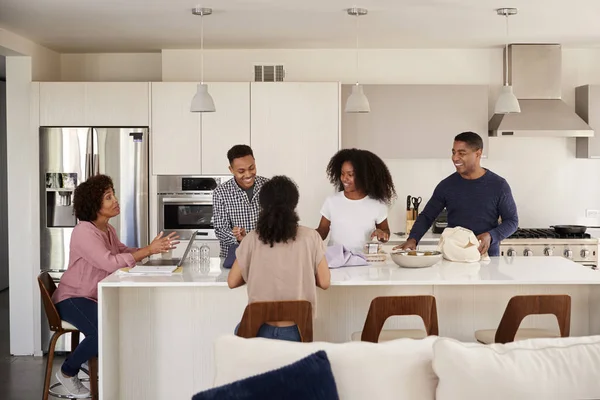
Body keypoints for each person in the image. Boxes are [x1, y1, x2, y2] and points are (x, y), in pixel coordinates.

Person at [51, 174, 179, 398]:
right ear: (95, 205)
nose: (115, 200)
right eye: (108, 197)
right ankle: (68, 372)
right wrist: (148, 251)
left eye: (113, 194)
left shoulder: (107, 230)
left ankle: (120, 375)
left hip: (93, 295)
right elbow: (109, 262)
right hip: (72, 298)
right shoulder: (84, 232)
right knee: (104, 331)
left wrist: (152, 248)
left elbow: (121, 252)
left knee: (119, 324)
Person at [227, 175, 330, 342]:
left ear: (263, 204)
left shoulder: (251, 238)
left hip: (258, 331)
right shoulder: (311, 237)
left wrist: (253, 273)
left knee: (238, 331)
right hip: (297, 332)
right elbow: (324, 282)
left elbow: (232, 281)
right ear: (294, 204)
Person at [395, 131, 518, 256]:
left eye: (461, 153)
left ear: (478, 153)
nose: (454, 158)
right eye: (453, 152)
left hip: (487, 258)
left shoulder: (498, 185)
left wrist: (491, 236)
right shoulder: (446, 185)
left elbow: (512, 221)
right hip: (454, 258)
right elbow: (427, 216)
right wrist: (413, 239)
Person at [316, 148, 397, 253]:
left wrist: (382, 235)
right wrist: (304, 235)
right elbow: (322, 232)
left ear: (364, 176)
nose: (344, 178)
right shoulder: (332, 201)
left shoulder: (377, 204)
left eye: (350, 174)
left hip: (363, 261)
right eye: (342, 173)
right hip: (336, 261)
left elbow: (385, 232)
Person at [212, 144, 268, 257]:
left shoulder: (268, 186)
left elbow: (279, 221)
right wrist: (238, 238)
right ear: (231, 169)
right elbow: (220, 229)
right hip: (234, 257)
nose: (248, 174)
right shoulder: (221, 193)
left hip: (265, 256)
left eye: (251, 168)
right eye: (241, 171)